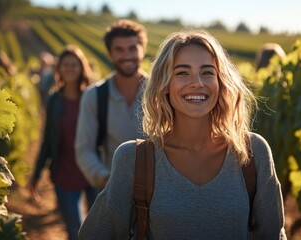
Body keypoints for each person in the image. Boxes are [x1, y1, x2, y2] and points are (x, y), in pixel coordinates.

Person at [78, 30, 287, 239]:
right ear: (165, 84)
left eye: (207, 72)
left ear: (220, 82)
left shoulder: (253, 152)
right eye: (182, 73)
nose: (197, 82)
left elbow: (273, 235)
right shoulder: (132, 158)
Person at [29, 45, 97, 240]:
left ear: (81, 68)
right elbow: (47, 140)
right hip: (64, 172)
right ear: (59, 69)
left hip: (92, 172)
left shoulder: (92, 97)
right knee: (75, 229)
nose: (69, 68)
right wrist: (36, 174)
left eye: (74, 64)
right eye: (65, 64)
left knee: (98, 229)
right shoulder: (54, 100)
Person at [74, 19, 148, 189]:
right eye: (119, 49)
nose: (127, 55)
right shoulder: (94, 95)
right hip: (112, 189)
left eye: (132, 48)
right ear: (109, 53)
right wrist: (105, 179)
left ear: (142, 50)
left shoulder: (161, 93)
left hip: (158, 191)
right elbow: (84, 148)